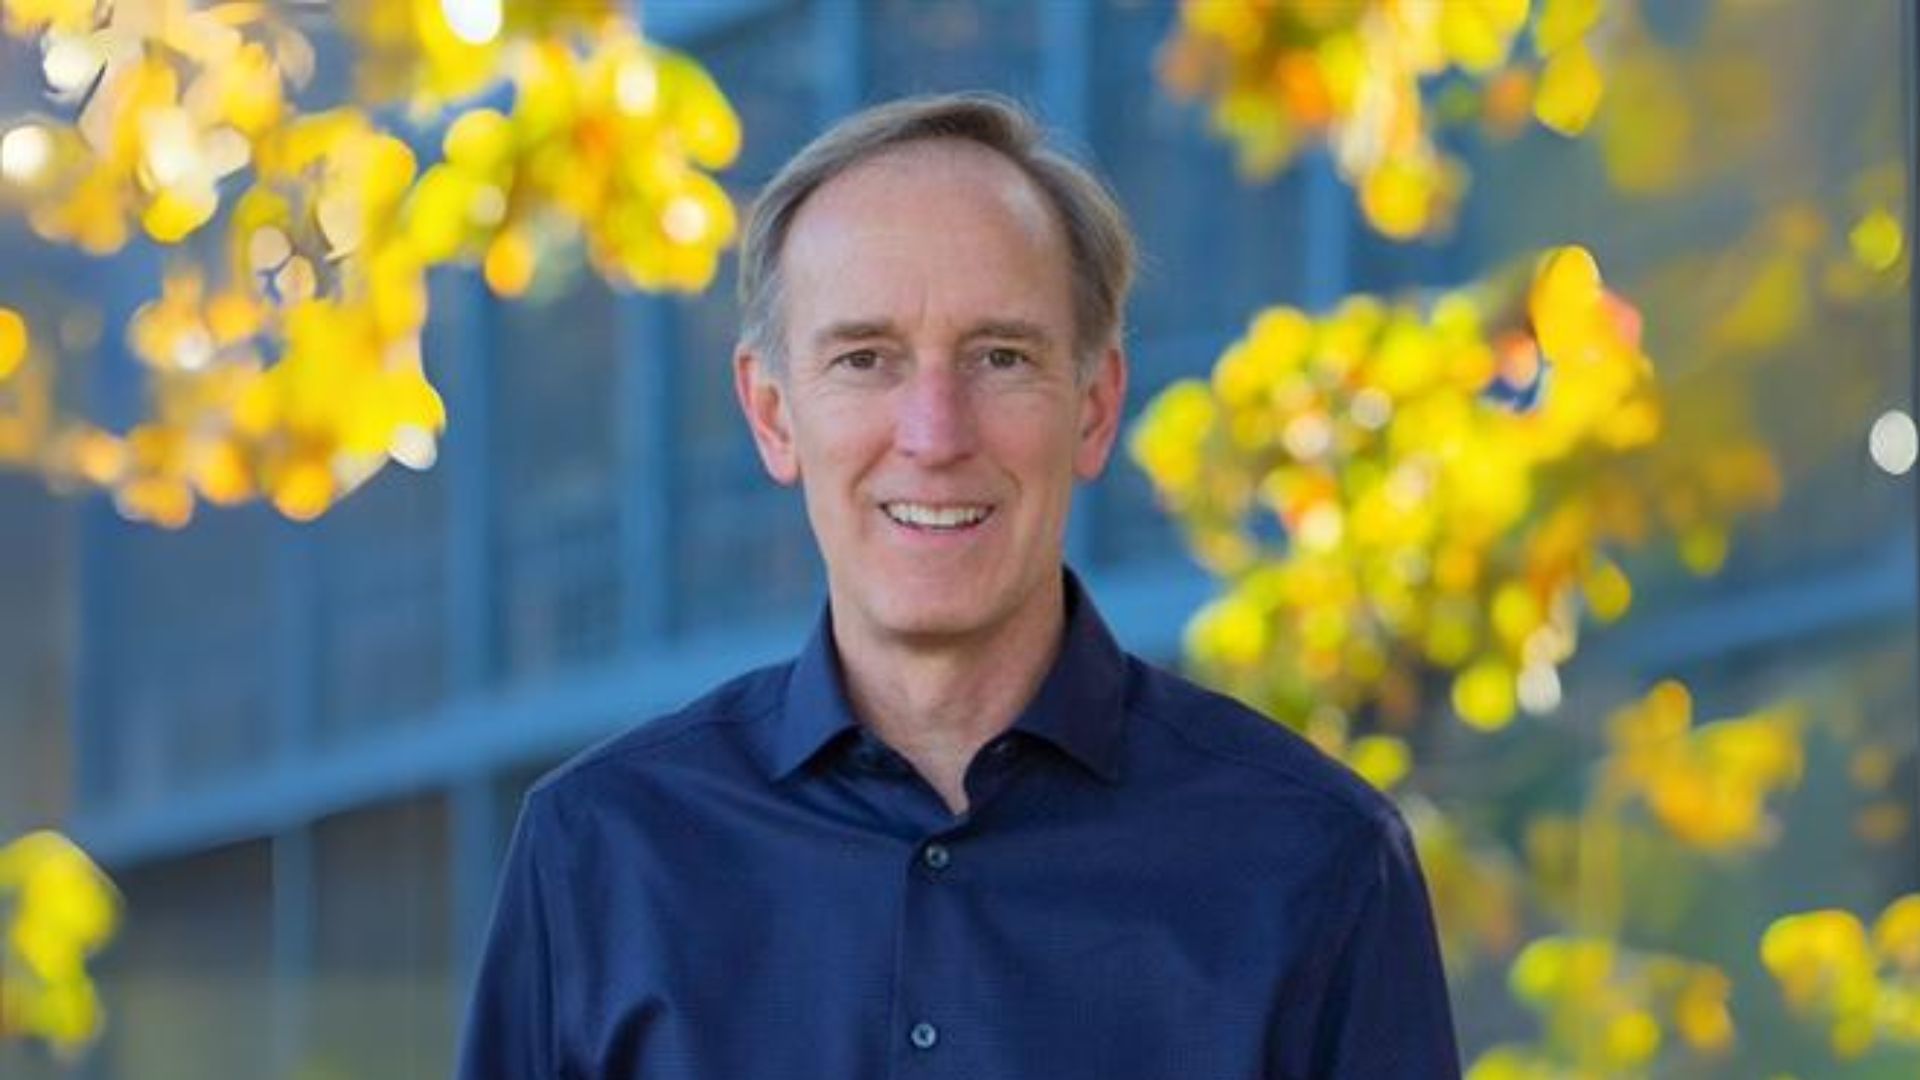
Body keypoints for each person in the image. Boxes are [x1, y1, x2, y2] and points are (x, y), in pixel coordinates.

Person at [457, 92, 1460, 1079]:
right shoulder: (598, 855)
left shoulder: (1314, 864)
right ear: (771, 414)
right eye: (864, 358)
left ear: (1095, 406)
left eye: (1000, 357)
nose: (935, 435)